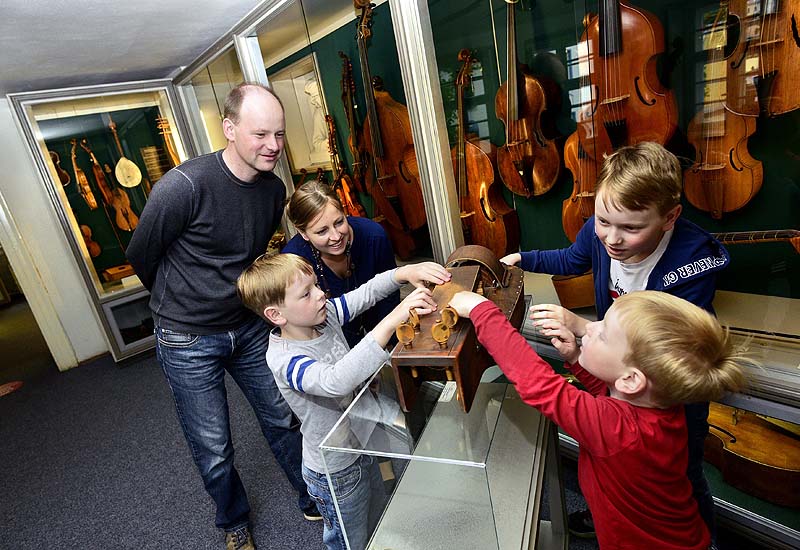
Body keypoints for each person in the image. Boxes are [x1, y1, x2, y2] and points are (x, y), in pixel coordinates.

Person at [501, 141, 730, 539]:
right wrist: (524, 259)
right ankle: (614, 510)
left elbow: (664, 355)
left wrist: (583, 326)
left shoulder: (692, 269)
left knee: (684, 475)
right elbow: (573, 258)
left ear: (670, 217)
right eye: (603, 221)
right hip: (622, 375)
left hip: (665, 392)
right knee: (613, 466)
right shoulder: (602, 227)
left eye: (631, 228)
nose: (611, 238)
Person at [126, 82, 317, 550]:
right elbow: (141, 255)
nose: (273, 146)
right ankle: (233, 522)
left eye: (280, 134)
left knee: (282, 416)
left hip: (249, 327)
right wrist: (183, 301)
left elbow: (250, 255)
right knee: (213, 446)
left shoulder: (273, 190)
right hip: (187, 339)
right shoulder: (184, 186)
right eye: (260, 135)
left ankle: (312, 495)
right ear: (229, 130)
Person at [449, 289, 748, 549]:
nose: (589, 328)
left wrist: (482, 311)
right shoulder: (661, 407)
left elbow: (541, 386)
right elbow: (613, 399)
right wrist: (578, 359)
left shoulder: (618, 430)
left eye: (603, 333)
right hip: (686, 536)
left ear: (632, 379)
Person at [236, 253, 450, 550]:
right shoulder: (284, 359)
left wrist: (404, 273)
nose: (321, 294)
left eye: (316, 286)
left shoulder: (325, 315)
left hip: (361, 446)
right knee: (349, 539)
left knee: (376, 516)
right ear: (276, 315)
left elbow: (365, 294)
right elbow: (334, 381)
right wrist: (393, 319)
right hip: (334, 471)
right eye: (307, 293)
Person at [282, 179, 399, 348]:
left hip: (382, 327)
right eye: (322, 231)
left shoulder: (374, 236)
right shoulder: (293, 259)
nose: (336, 237)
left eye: (339, 222)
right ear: (303, 233)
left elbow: (390, 295)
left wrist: (390, 340)